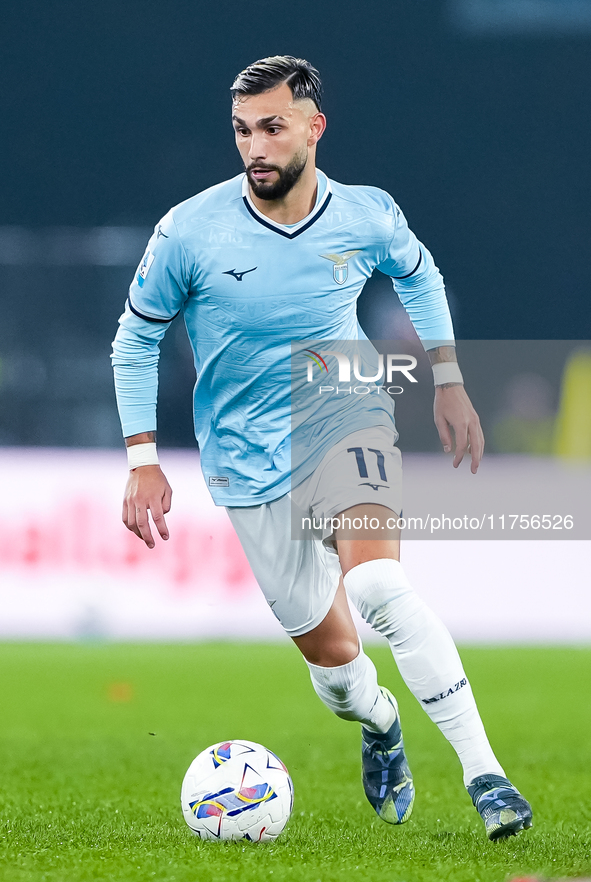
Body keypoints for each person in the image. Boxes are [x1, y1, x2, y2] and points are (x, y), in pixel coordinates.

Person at [111, 55, 532, 840]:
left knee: (378, 587)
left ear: (313, 125)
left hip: (343, 407)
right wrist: (142, 458)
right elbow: (134, 339)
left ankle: (487, 777)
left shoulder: (365, 213)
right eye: (241, 131)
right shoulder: (189, 229)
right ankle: (380, 724)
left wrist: (446, 377)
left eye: (271, 127)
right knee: (339, 675)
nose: (255, 147)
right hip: (243, 455)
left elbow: (419, 272)